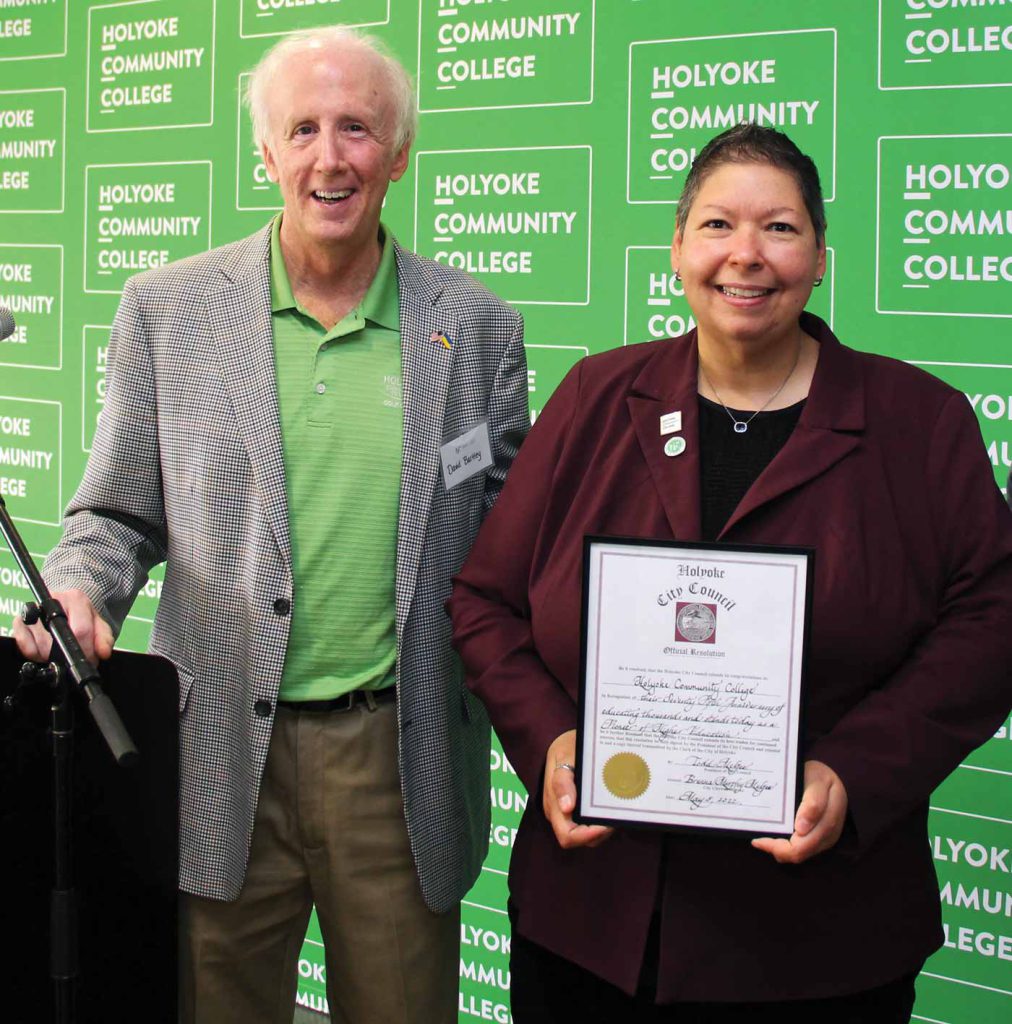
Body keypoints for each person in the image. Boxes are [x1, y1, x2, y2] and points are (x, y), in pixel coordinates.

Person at [13, 26, 528, 1024]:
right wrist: (79, 585)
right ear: (265, 154)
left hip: (399, 756)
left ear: (401, 151)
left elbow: (507, 541)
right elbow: (115, 511)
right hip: (217, 755)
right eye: (302, 130)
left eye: (357, 129)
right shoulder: (167, 311)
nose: (329, 157)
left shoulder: (476, 326)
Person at [449, 124, 1012, 1023]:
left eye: (780, 229)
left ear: (821, 256)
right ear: (677, 249)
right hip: (592, 919)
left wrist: (856, 773)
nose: (746, 255)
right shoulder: (596, 399)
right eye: (717, 225)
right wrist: (551, 741)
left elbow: (994, 623)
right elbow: (484, 601)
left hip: (821, 940)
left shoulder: (920, 423)